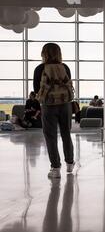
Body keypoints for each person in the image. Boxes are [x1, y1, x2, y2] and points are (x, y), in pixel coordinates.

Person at [34, 43, 75, 178]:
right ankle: (70, 163)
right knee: (66, 134)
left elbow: (36, 90)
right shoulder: (65, 67)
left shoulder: (40, 68)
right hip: (65, 105)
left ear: (44, 53)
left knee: (51, 136)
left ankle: (55, 168)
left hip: (48, 105)